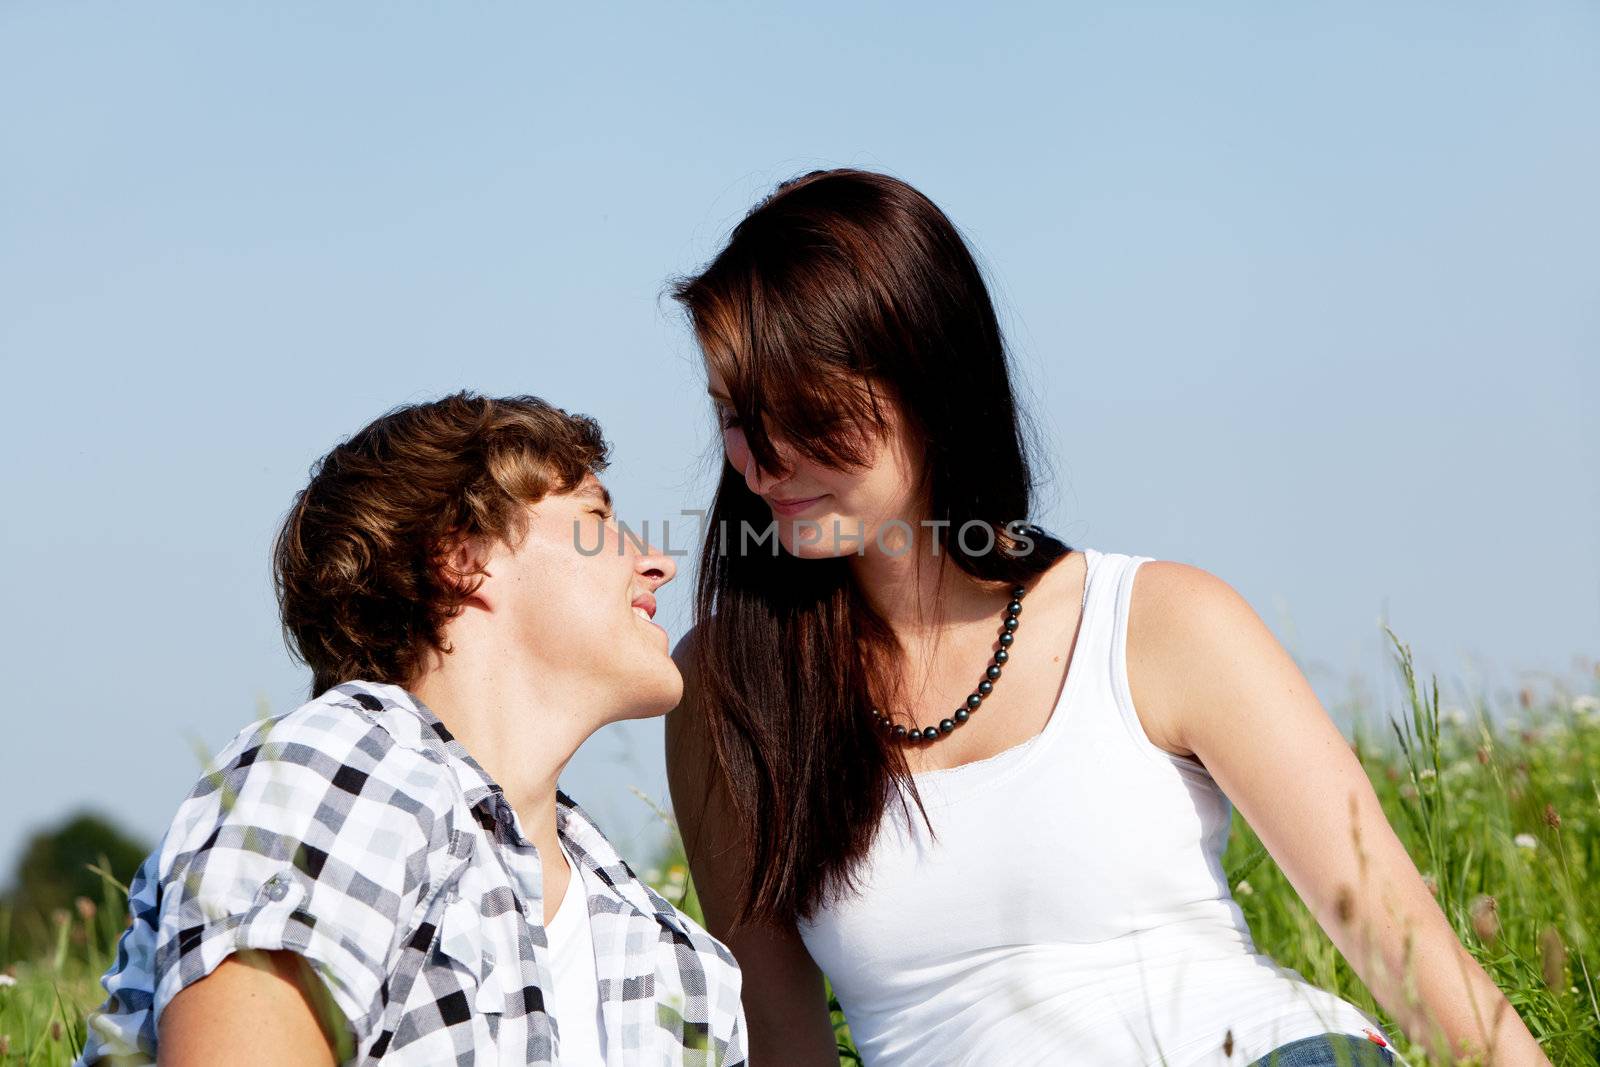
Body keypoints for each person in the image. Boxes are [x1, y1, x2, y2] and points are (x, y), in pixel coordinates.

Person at [662, 169, 1548, 1066]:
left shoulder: (1159, 624)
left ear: (929, 380)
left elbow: (1419, 968)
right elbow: (783, 1045)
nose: (761, 461)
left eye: (806, 412)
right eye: (735, 414)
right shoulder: (726, 692)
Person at [76, 392, 747, 1066]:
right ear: (466, 558)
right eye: (596, 515)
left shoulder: (684, 968)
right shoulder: (337, 772)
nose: (658, 561)